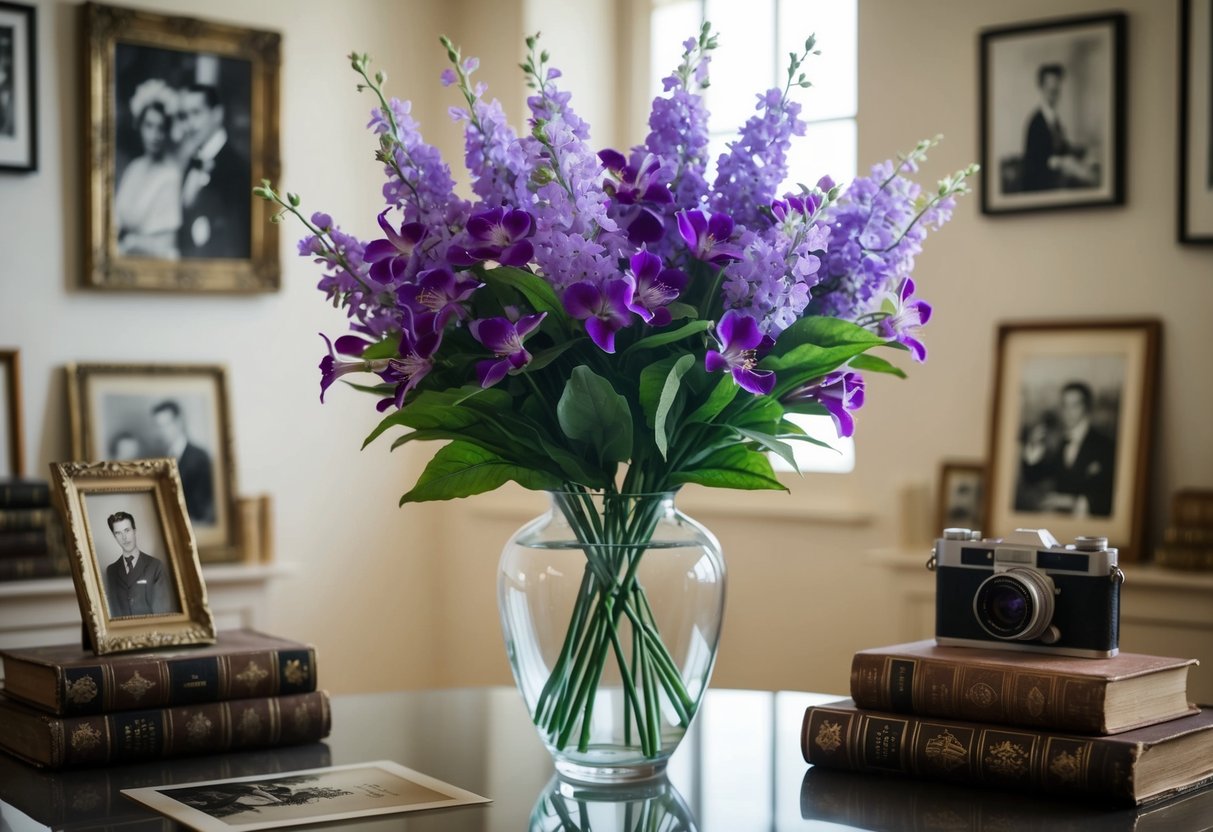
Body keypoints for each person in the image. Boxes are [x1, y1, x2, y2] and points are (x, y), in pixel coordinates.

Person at [1020, 381, 1116, 517]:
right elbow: (1033, 477)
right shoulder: (1062, 443)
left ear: (1087, 407)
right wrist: (1033, 446)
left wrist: (1072, 502)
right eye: (1064, 405)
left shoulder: (1105, 445)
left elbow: (1110, 496)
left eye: (1075, 405)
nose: (1068, 411)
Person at [177, 83, 251, 259]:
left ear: (217, 114)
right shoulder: (192, 163)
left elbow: (238, 242)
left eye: (196, 113)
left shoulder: (238, 169)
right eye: (185, 116)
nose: (189, 124)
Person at [114, 80, 184, 259]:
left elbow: (167, 243)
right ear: (140, 126)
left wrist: (131, 243)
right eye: (149, 126)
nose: (154, 135)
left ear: (167, 132)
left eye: (161, 128)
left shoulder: (170, 174)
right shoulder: (134, 167)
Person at [1020, 63, 1098, 192]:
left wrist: (1083, 153)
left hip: (1055, 178)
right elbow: (1037, 162)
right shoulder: (1036, 123)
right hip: (1040, 185)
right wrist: (1064, 162)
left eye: (1057, 84)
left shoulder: (1055, 121)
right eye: (1050, 85)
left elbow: (1063, 148)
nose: (1054, 88)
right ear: (1041, 87)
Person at [151, 400, 215, 524]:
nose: (161, 432)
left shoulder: (199, 457)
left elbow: (202, 508)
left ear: (178, 422)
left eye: (165, 425)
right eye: (157, 426)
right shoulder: (160, 458)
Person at [103, 511, 177, 616]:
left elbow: (162, 612)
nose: (124, 537)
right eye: (118, 533)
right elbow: (114, 610)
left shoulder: (155, 566)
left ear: (134, 531)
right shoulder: (111, 571)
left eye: (127, 530)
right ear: (115, 537)